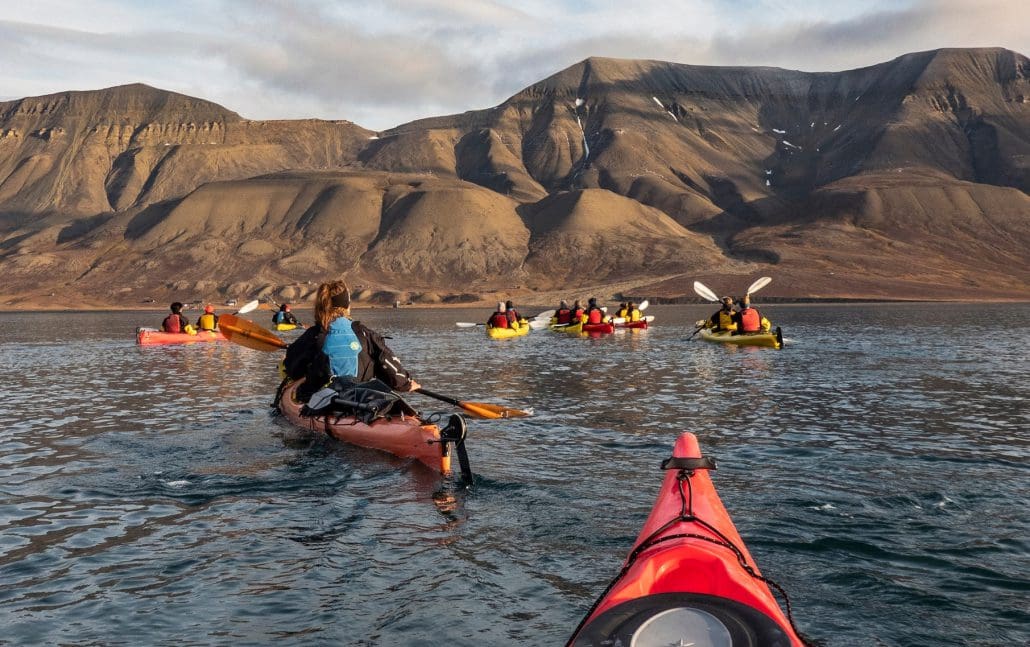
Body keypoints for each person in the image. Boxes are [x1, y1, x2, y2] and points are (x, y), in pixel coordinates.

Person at [283, 280, 421, 402]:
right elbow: (387, 360)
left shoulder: (313, 335)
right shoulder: (364, 333)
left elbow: (292, 369)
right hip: (361, 398)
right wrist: (406, 383)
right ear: (346, 305)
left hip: (323, 402)